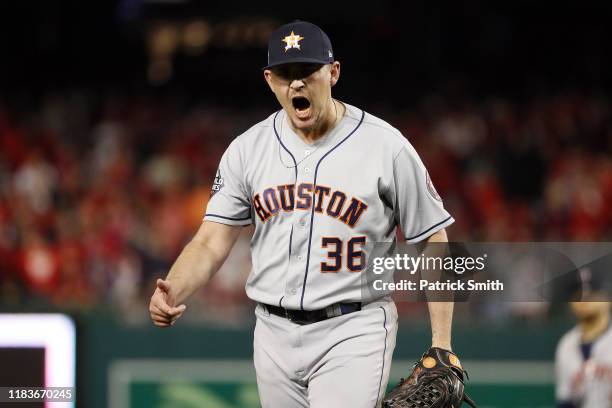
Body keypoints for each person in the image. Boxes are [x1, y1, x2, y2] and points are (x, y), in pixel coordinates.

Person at [149, 20, 457, 407]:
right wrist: (174, 286)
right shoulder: (247, 150)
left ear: (333, 72)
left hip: (353, 328)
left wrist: (441, 342)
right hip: (272, 331)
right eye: (285, 74)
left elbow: (433, 239)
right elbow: (211, 241)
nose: (296, 84)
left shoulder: (386, 146)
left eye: (307, 72)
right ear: (269, 80)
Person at [555, 256, 612, 408]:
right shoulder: (566, 344)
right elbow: (565, 400)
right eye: (578, 295)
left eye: (592, 295)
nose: (584, 301)